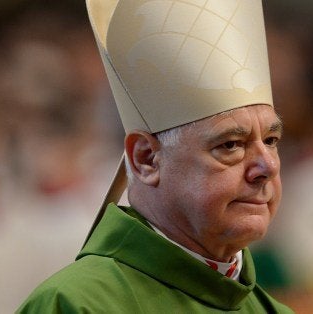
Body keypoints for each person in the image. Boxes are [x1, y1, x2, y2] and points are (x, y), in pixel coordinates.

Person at [17, 0, 293, 312]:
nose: (267, 166)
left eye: (271, 140)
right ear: (146, 159)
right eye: (230, 145)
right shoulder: (73, 305)